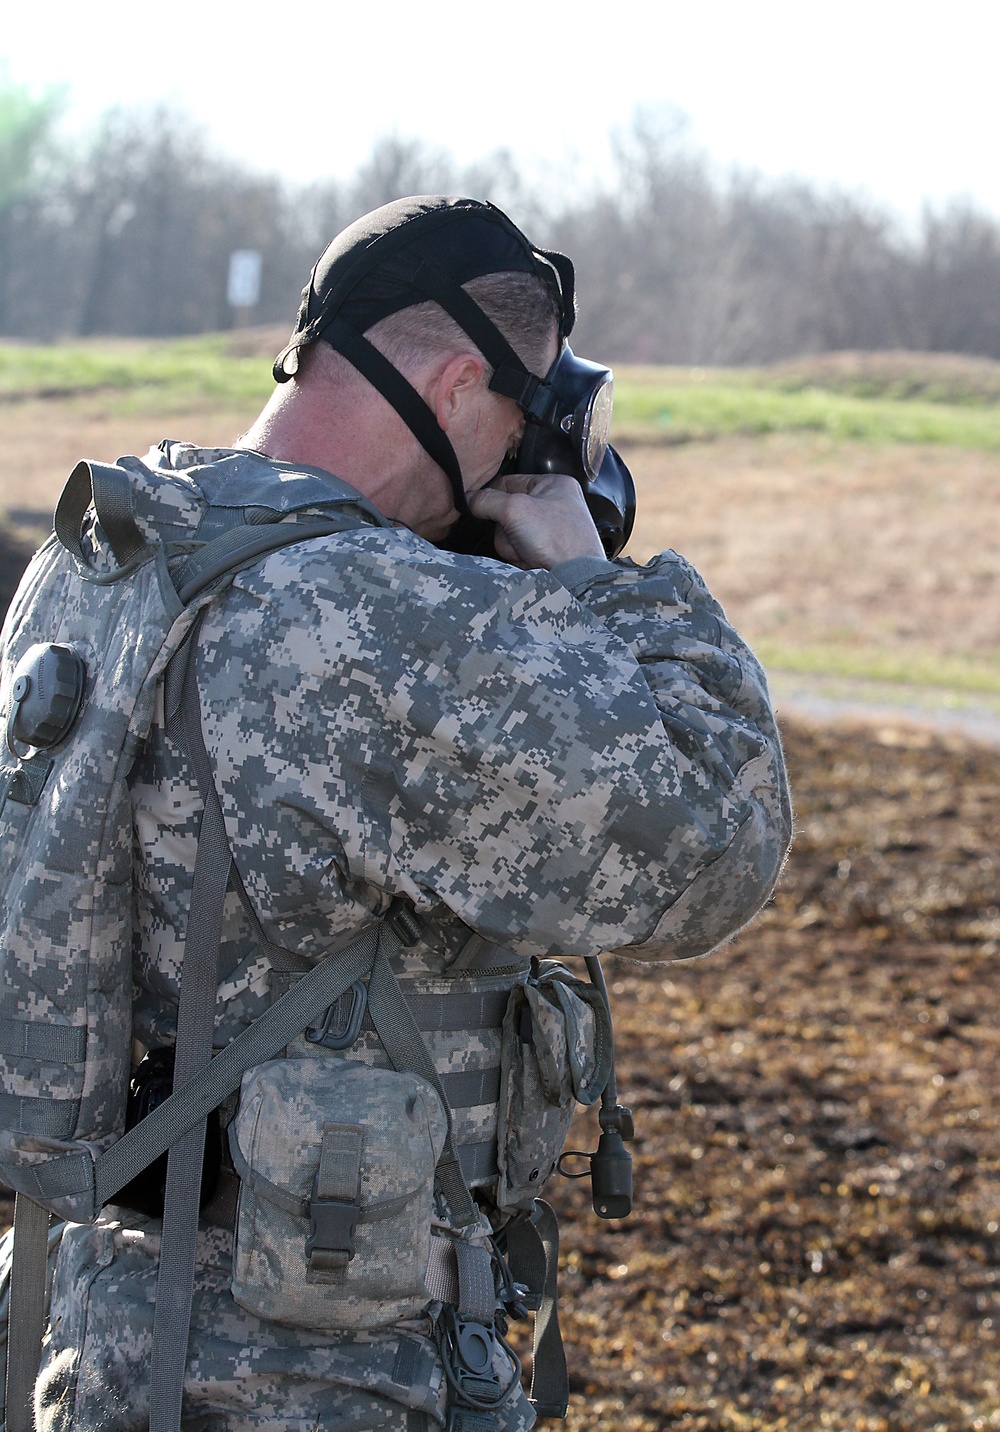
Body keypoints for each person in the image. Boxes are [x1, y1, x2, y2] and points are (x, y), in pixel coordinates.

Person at [32, 196, 792, 1431]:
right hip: (310, 1371)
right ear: (451, 387)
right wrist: (594, 585)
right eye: (522, 419)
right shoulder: (367, 613)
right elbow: (719, 835)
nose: (524, 463)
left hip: (97, 1325)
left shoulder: (113, 551)